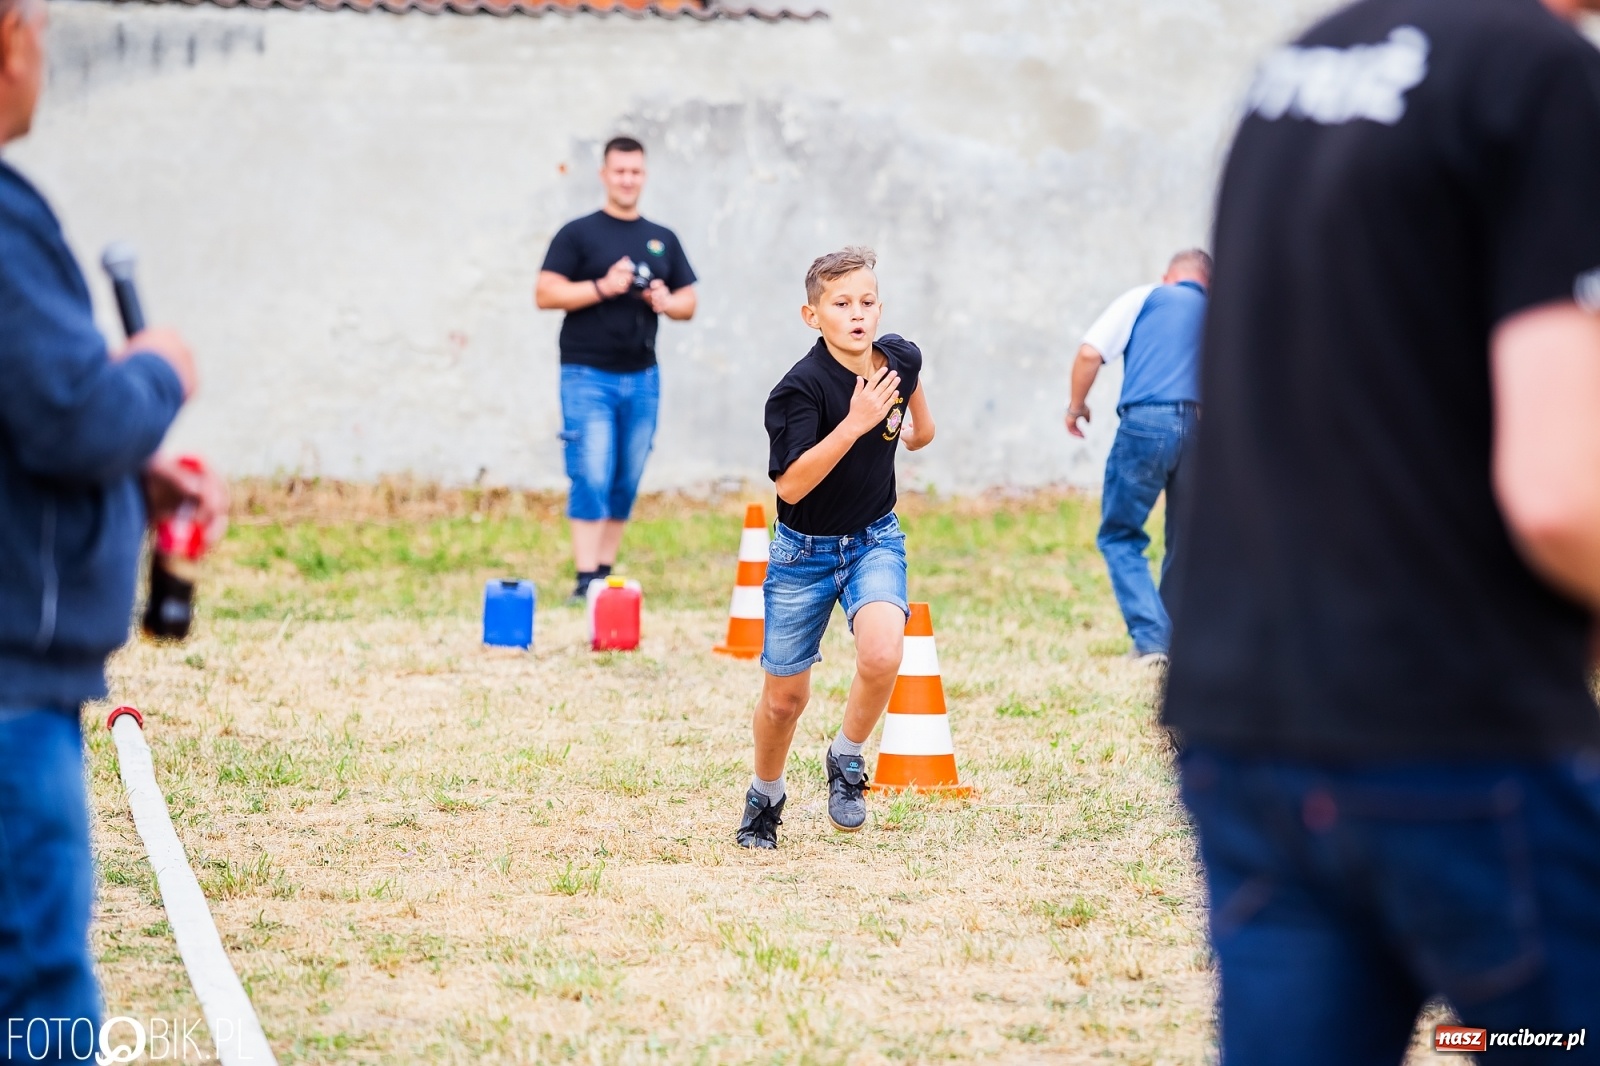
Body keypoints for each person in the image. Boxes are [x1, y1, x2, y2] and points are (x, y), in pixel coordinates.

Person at [1164, 0, 1600, 1060]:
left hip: (1245, 723)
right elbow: (1561, 495)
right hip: (1453, 737)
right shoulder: (1540, 77)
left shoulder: (1296, 70)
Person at [0, 0, 226, 1056]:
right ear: (8, 36)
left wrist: (131, 472)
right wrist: (159, 369)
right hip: (10, 693)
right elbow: (70, 416)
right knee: (36, 988)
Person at [736, 247, 935, 850]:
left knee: (882, 655)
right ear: (811, 315)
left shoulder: (900, 358)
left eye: (867, 302)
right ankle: (765, 795)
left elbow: (920, 434)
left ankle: (846, 759)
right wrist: (856, 421)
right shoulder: (798, 390)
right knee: (783, 700)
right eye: (841, 304)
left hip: (875, 538)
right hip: (803, 554)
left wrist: (900, 410)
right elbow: (790, 483)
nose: (857, 315)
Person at [535, 136, 698, 599]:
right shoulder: (578, 234)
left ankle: (603, 575)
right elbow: (545, 293)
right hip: (587, 374)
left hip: (643, 376)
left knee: (626, 474)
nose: (627, 179)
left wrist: (667, 301)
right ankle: (584, 579)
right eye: (619, 171)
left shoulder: (662, 238)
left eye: (635, 171)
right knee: (590, 471)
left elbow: (689, 301)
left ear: (644, 176)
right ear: (605, 174)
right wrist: (605, 287)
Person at [1067, 251, 1211, 665]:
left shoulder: (1146, 297)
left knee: (1120, 534)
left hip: (1146, 421)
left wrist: (1076, 406)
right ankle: (1174, 637)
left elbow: (1090, 352)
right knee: (1187, 538)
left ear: (1169, 276)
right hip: (1204, 425)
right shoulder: (1220, 309)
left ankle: (1151, 638)